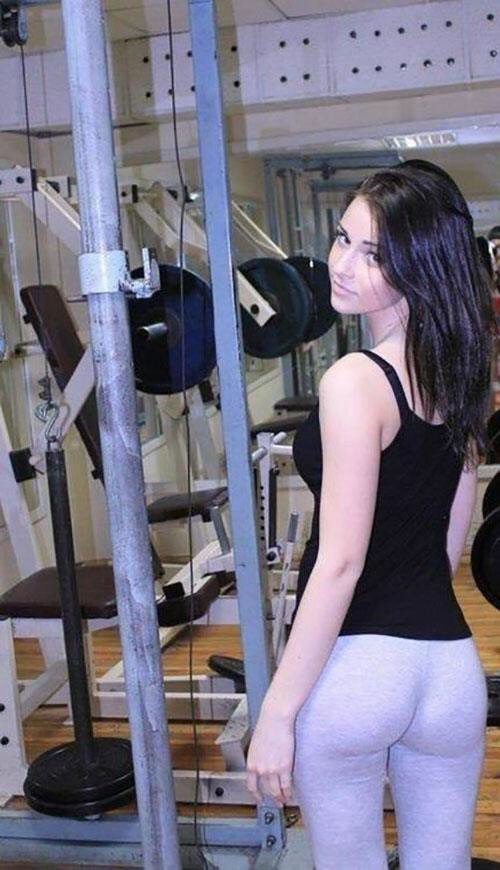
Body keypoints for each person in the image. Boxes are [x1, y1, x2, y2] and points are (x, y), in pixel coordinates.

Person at [246, 159, 495, 869]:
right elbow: (444, 548)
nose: (342, 264)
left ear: (419, 265)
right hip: (449, 675)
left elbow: (342, 562)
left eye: (374, 254)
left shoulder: (356, 379)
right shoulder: (461, 378)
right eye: (342, 238)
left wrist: (277, 711)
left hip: (357, 674)